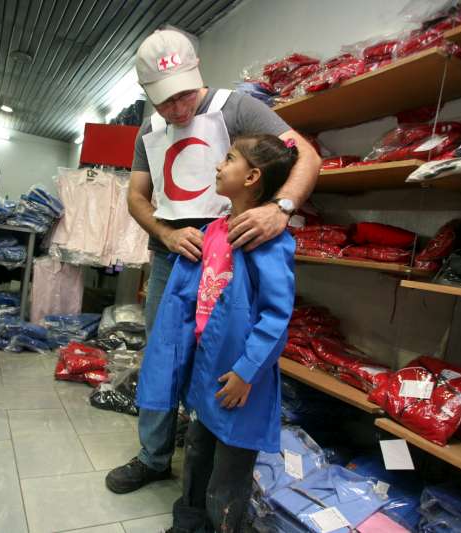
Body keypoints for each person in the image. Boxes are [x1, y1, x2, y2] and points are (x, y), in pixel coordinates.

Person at [107, 28, 320, 494]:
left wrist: (279, 209)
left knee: (226, 359)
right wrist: (164, 231)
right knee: (163, 356)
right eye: (165, 102)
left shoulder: (237, 108)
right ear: (147, 94)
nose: (179, 110)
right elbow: (138, 196)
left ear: (197, 72)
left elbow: (306, 156)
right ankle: (154, 456)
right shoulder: (149, 129)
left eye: (184, 96)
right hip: (174, 257)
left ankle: (212, 462)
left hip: (235, 256)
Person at [140, 134, 297, 532]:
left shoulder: (268, 239)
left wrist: (247, 372)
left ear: (252, 177)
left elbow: (277, 315)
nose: (217, 166)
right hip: (208, 367)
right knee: (196, 450)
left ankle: (221, 526)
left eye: (228, 159)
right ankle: (188, 521)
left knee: (230, 468)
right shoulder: (213, 231)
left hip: (242, 376)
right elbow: (189, 302)